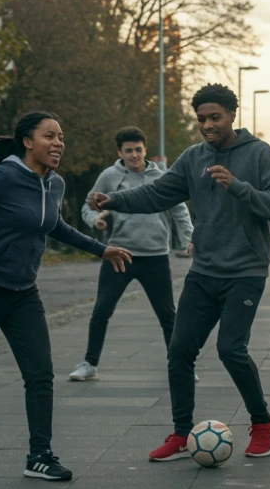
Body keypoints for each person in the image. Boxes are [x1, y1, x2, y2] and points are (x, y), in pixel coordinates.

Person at [0, 112, 132, 482]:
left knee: (40, 373)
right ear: (27, 141)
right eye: (49, 135)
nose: (58, 143)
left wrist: (101, 250)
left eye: (61, 137)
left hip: (24, 294)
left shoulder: (55, 185)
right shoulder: (3, 176)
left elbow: (57, 226)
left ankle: (40, 455)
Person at [87, 83, 270, 461]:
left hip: (246, 270)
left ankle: (263, 423)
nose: (208, 125)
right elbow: (156, 194)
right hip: (204, 271)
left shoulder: (259, 153)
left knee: (230, 349)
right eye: (201, 119)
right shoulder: (193, 158)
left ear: (232, 114)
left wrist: (238, 187)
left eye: (215, 117)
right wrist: (112, 200)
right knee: (179, 351)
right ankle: (182, 434)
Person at [69, 126, 193, 382]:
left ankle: (180, 366)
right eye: (129, 151)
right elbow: (88, 205)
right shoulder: (109, 176)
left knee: (168, 315)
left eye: (138, 149)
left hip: (156, 256)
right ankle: (90, 364)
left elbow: (179, 210)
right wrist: (96, 220)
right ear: (120, 152)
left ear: (145, 149)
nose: (134, 155)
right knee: (101, 311)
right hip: (119, 255)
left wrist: (189, 239)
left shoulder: (162, 176)